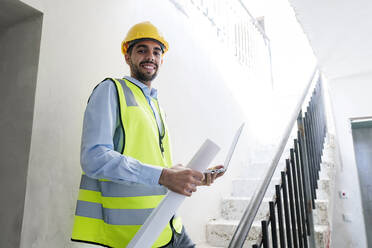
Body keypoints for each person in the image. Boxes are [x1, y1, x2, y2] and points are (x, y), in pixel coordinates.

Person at [71, 21, 224, 248]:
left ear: (161, 59)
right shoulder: (111, 90)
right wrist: (164, 176)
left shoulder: (155, 105)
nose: (150, 56)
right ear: (127, 56)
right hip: (135, 235)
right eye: (142, 50)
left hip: (169, 224)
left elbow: (156, 165)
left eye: (156, 52)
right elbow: (94, 158)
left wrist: (193, 177)